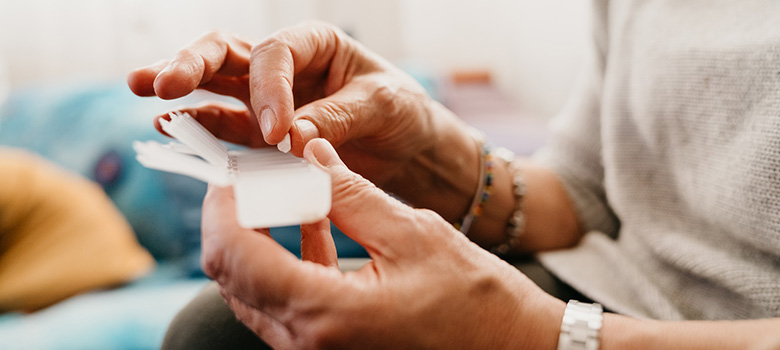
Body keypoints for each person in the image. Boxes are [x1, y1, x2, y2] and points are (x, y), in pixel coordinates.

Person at [127, 0, 780, 348]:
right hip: (603, 295)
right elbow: (594, 192)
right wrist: (430, 153)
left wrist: (533, 336)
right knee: (217, 334)